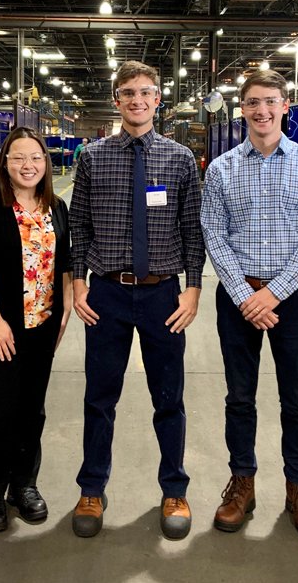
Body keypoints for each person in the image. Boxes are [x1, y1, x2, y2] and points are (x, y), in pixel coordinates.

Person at [69, 60, 205, 541]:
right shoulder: (92, 157)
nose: (137, 100)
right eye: (128, 92)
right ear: (116, 99)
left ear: (158, 99)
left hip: (163, 296)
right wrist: (77, 282)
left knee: (169, 398)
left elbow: (192, 230)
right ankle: (91, 488)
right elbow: (79, 225)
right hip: (105, 292)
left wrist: (193, 287)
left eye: (146, 92)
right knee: (99, 397)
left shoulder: (180, 159)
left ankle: (174, 489)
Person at [200, 69, 298, 539]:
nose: (262, 110)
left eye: (270, 101)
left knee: (296, 399)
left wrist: (272, 294)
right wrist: (244, 295)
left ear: (285, 105)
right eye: (253, 102)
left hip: (292, 299)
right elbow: (214, 236)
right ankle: (243, 484)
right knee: (240, 398)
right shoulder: (221, 169)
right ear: (242, 109)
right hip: (238, 298)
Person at [0, 126, 72, 532]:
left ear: (46, 163)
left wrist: (66, 310)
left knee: (32, 410)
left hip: (42, 327)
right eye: (19, 158)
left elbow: (64, 263)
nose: (29, 166)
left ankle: (24, 485)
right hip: (2, 329)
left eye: (36, 158)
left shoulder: (56, 206)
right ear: (4, 163)